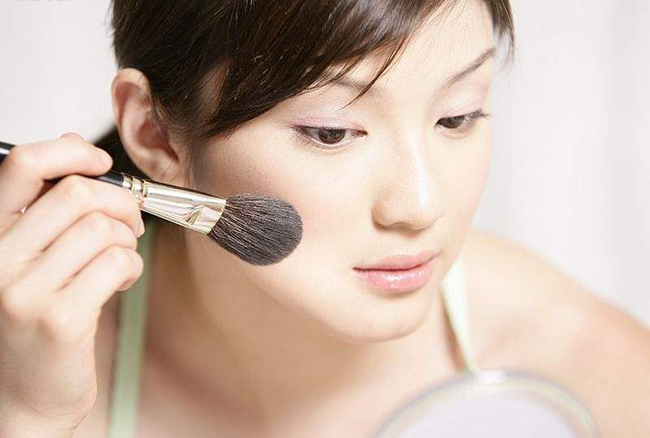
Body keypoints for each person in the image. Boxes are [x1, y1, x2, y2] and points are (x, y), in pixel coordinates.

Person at [1, 0, 649, 437]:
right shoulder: (39, 363)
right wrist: (29, 418)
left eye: (457, 117)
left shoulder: (584, 369)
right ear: (155, 131)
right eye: (332, 133)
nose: (421, 206)